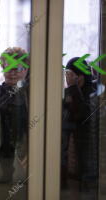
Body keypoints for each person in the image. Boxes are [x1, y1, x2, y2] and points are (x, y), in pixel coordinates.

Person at [61, 57, 98, 191]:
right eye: (66, 74)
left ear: (81, 76)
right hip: (73, 165)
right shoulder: (71, 93)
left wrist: (72, 88)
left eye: (70, 74)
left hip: (88, 168)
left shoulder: (93, 95)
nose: (67, 78)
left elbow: (82, 115)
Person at [0, 47, 30, 184]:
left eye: (16, 69)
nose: (12, 73)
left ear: (26, 70)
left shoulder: (31, 92)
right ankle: (7, 176)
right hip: (3, 136)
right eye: (8, 68)